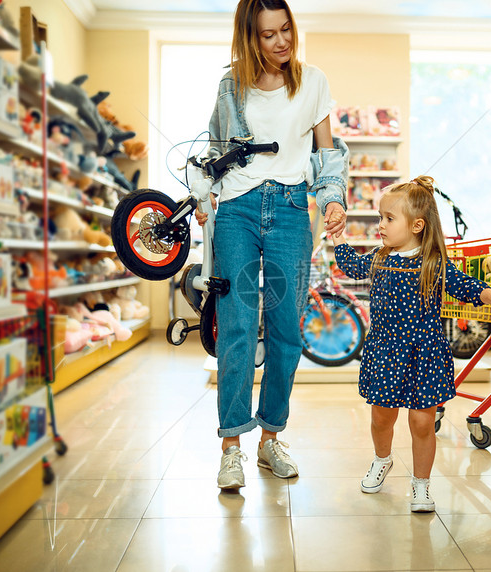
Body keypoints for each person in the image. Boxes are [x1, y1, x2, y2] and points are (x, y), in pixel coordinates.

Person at [194, 0, 349, 490]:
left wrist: (332, 199)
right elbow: (218, 152)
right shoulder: (230, 85)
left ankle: (270, 438)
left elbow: (327, 151)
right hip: (237, 209)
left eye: (286, 30)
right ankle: (231, 446)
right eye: (268, 34)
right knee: (237, 325)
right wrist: (206, 198)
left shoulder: (313, 80)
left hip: (289, 211)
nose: (281, 41)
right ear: (249, 36)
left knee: (286, 328)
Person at [330, 176, 491, 512]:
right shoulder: (379, 257)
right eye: (380, 218)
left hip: (425, 352)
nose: (381, 226)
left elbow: (466, 286)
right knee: (381, 419)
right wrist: (339, 239)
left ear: (417, 225)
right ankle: (382, 459)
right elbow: (351, 265)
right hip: (386, 352)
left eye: (389, 219)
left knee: (422, 422)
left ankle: (421, 484)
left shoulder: (433, 263)